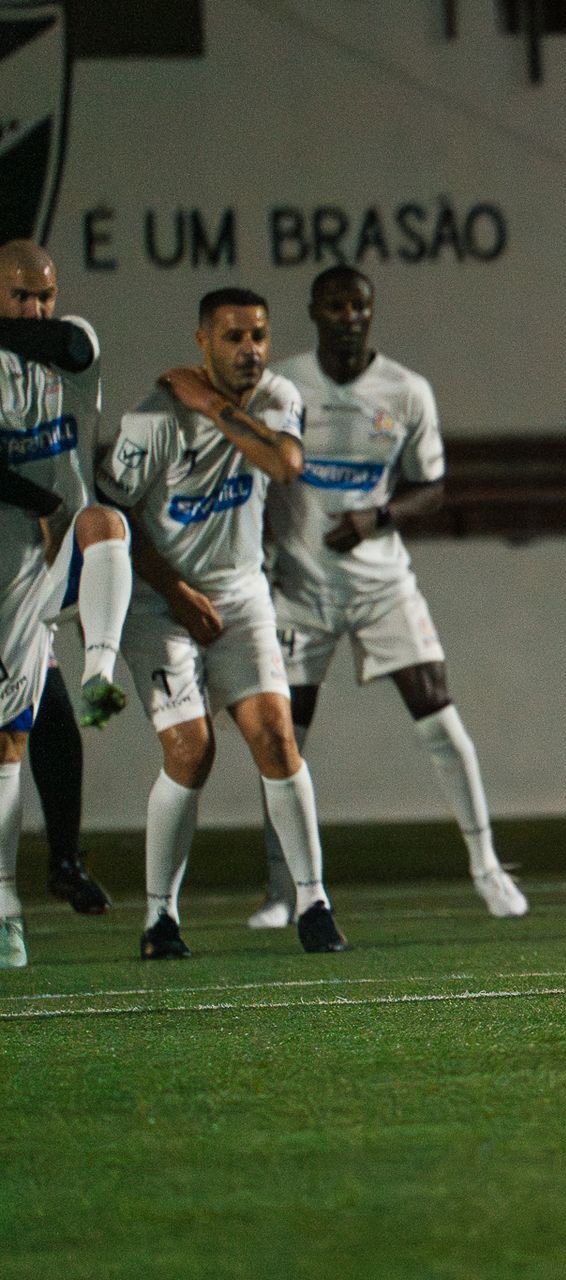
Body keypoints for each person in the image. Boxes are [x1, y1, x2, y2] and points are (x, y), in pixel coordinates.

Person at [244, 266, 525, 926]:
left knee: (440, 717)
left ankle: (487, 867)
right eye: (335, 305)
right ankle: (282, 891)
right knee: (282, 740)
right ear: (314, 312)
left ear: (371, 313)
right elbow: (252, 477)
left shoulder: (405, 390)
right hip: (300, 589)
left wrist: (377, 517)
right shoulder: (281, 387)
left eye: (359, 305)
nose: (348, 315)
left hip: (381, 585)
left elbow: (432, 485)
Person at [95, 288, 348, 958]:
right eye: (234, 337)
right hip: (158, 601)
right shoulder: (152, 419)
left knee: (276, 736)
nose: (251, 350)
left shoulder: (277, 397)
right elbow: (113, 523)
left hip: (240, 596)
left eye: (259, 336)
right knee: (191, 750)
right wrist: (177, 595)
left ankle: (314, 904)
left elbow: (285, 464)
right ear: (203, 340)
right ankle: (159, 920)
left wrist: (214, 405)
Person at [0, 239, 134, 966]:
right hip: (8, 576)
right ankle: (17, 898)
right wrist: (44, 497)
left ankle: (101, 668)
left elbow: (62, 341)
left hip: (60, 565)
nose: (38, 308)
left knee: (106, 522)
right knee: (19, 738)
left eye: (43, 293)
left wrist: (59, 504)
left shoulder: (75, 342)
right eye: (20, 295)